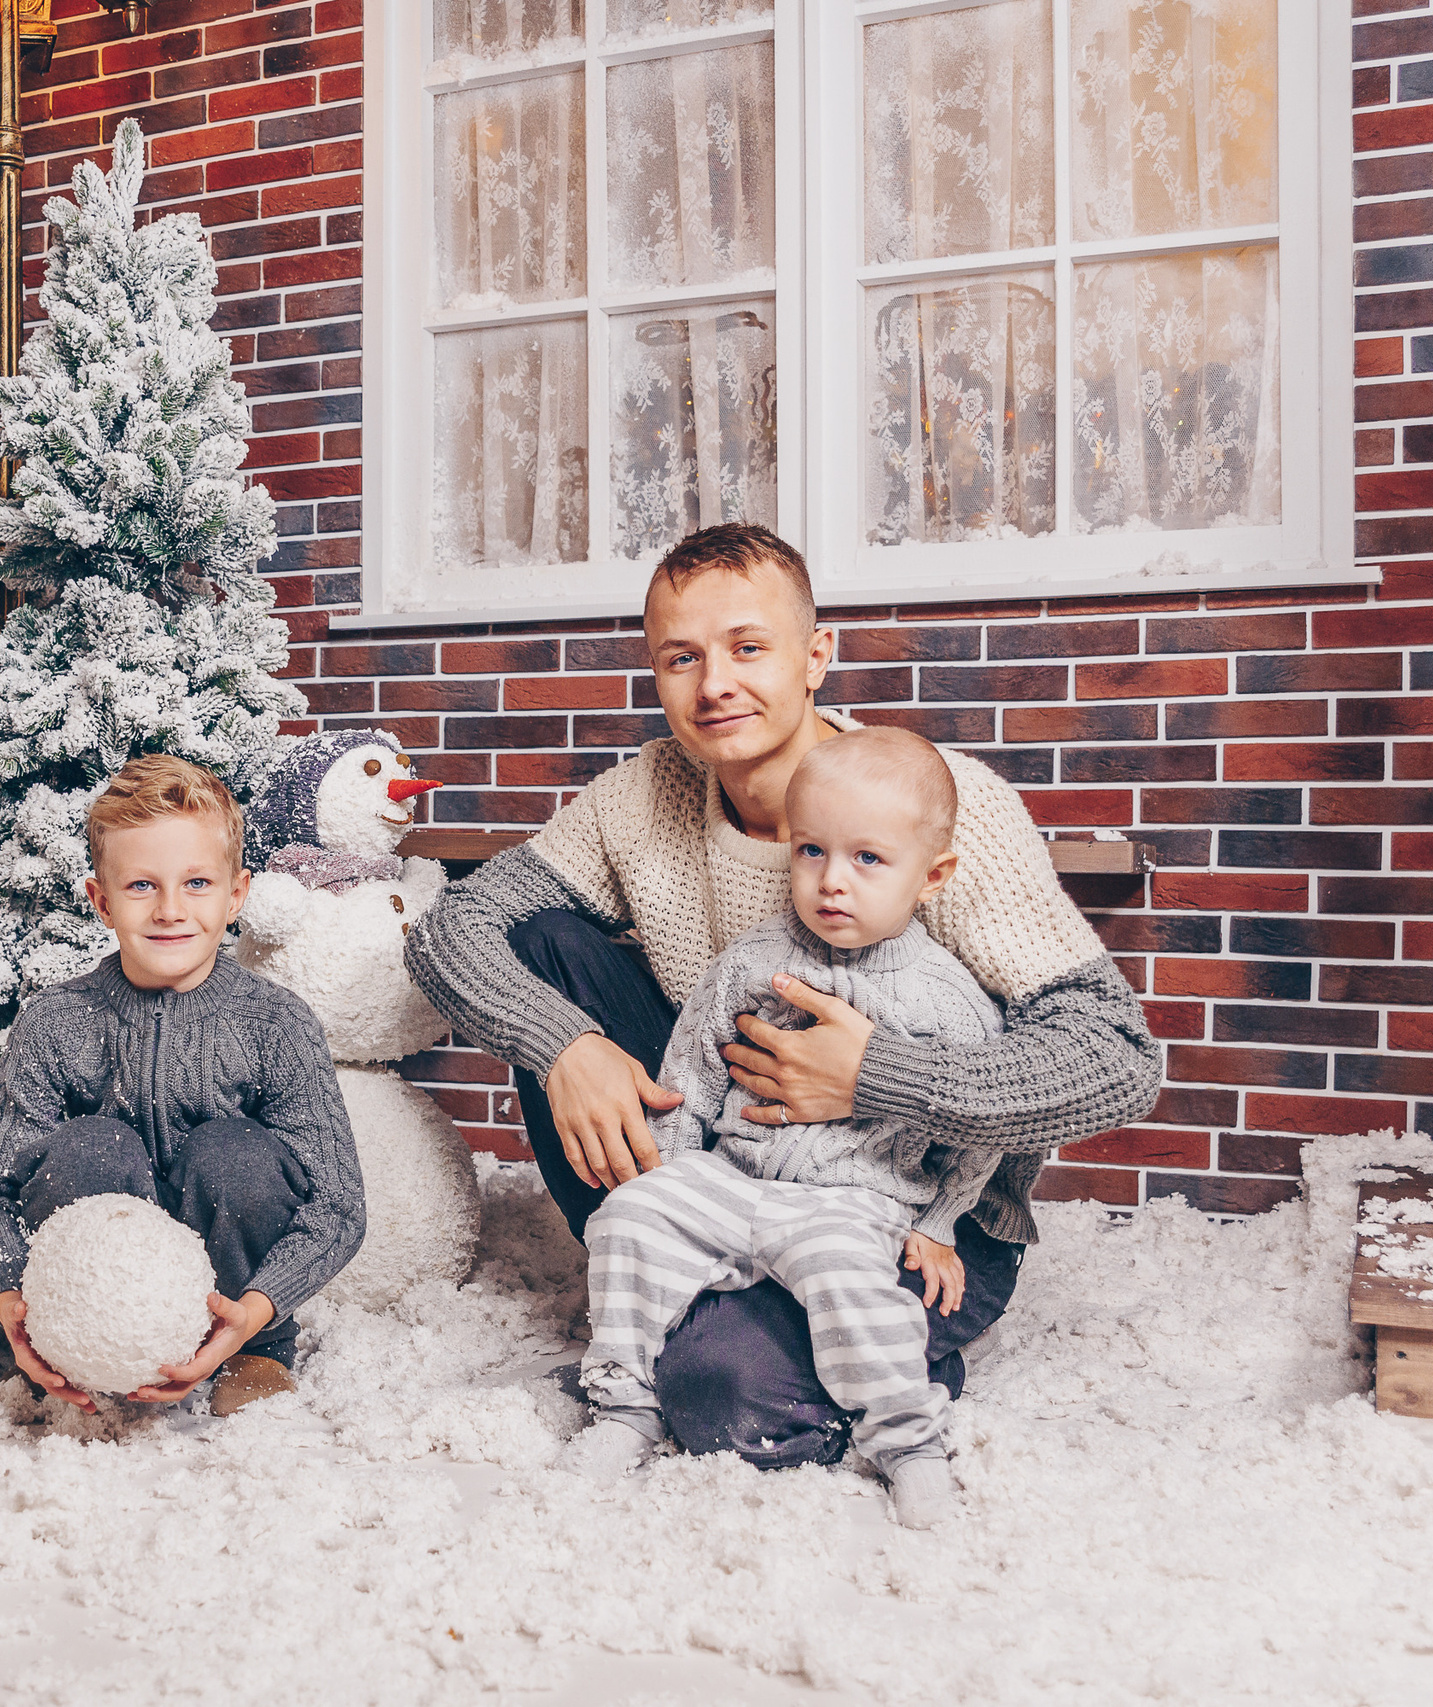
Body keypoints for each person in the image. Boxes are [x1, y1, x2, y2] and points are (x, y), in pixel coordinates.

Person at [404, 523, 1160, 1467]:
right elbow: (451, 929)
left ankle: (857, 1361)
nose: (715, 683)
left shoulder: (931, 804)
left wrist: (878, 1073)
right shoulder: (644, 795)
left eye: (748, 647)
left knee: (721, 1393)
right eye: (683, 657)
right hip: (728, 1171)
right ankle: (681, 1288)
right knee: (540, 942)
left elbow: (1117, 1059)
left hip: (913, 1208)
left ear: (816, 658)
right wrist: (565, 1044)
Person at [562, 727, 1003, 1528]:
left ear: (930, 876)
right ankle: (623, 1407)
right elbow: (690, 1074)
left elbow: (981, 1130)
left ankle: (908, 1441)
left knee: (849, 1280)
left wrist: (939, 1224)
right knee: (628, 1215)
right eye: (811, 852)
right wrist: (677, 1175)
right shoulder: (752, 960)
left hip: (852, 1202)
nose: (833, 881)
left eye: (869, 859)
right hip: (734, 1179)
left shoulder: (948, 1001)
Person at [0, 755, 364, 1417]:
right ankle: (81, 1349)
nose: (172, 909)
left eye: (198, 882)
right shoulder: (55, 1023)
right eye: (143, 885)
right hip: (99, 1300)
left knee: (234, 1152)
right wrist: (12, 1304)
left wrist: (257, 1308)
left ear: (236, 894)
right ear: (102, 900)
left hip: (235, 1302)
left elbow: (339, 1204)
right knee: (91, 1145)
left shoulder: (277, 1023)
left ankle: (256, 1349)